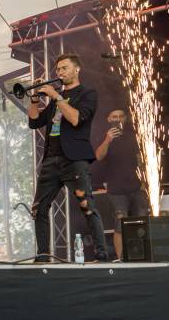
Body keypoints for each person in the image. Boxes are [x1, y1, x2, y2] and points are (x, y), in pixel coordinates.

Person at [27, 53, 108, 262]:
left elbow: (76, 119)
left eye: (64, 68)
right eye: (58, 69)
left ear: (76, 69)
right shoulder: (57, 98)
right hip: (50, 159)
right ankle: (43, 255)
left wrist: (56, 95)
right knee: (39, 208)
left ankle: (101, 253)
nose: (60, 72)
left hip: (74, 159)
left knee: (86, 205)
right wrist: (34, 98)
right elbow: (34, 122)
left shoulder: (88, 94)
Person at [95, 108, 149, 260]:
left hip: (136, 187)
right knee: (120, 224)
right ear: (108, 119)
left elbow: (141, 159)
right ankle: (120, 258)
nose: (117, 119)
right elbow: (98, 156)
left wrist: (144, 182)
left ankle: (144, 256)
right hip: (116, 190)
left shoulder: (133, 136)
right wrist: (108, 139)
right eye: (114, 117)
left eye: (120, 116)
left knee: (142, 221)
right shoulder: (104, 136)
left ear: (125, 119)